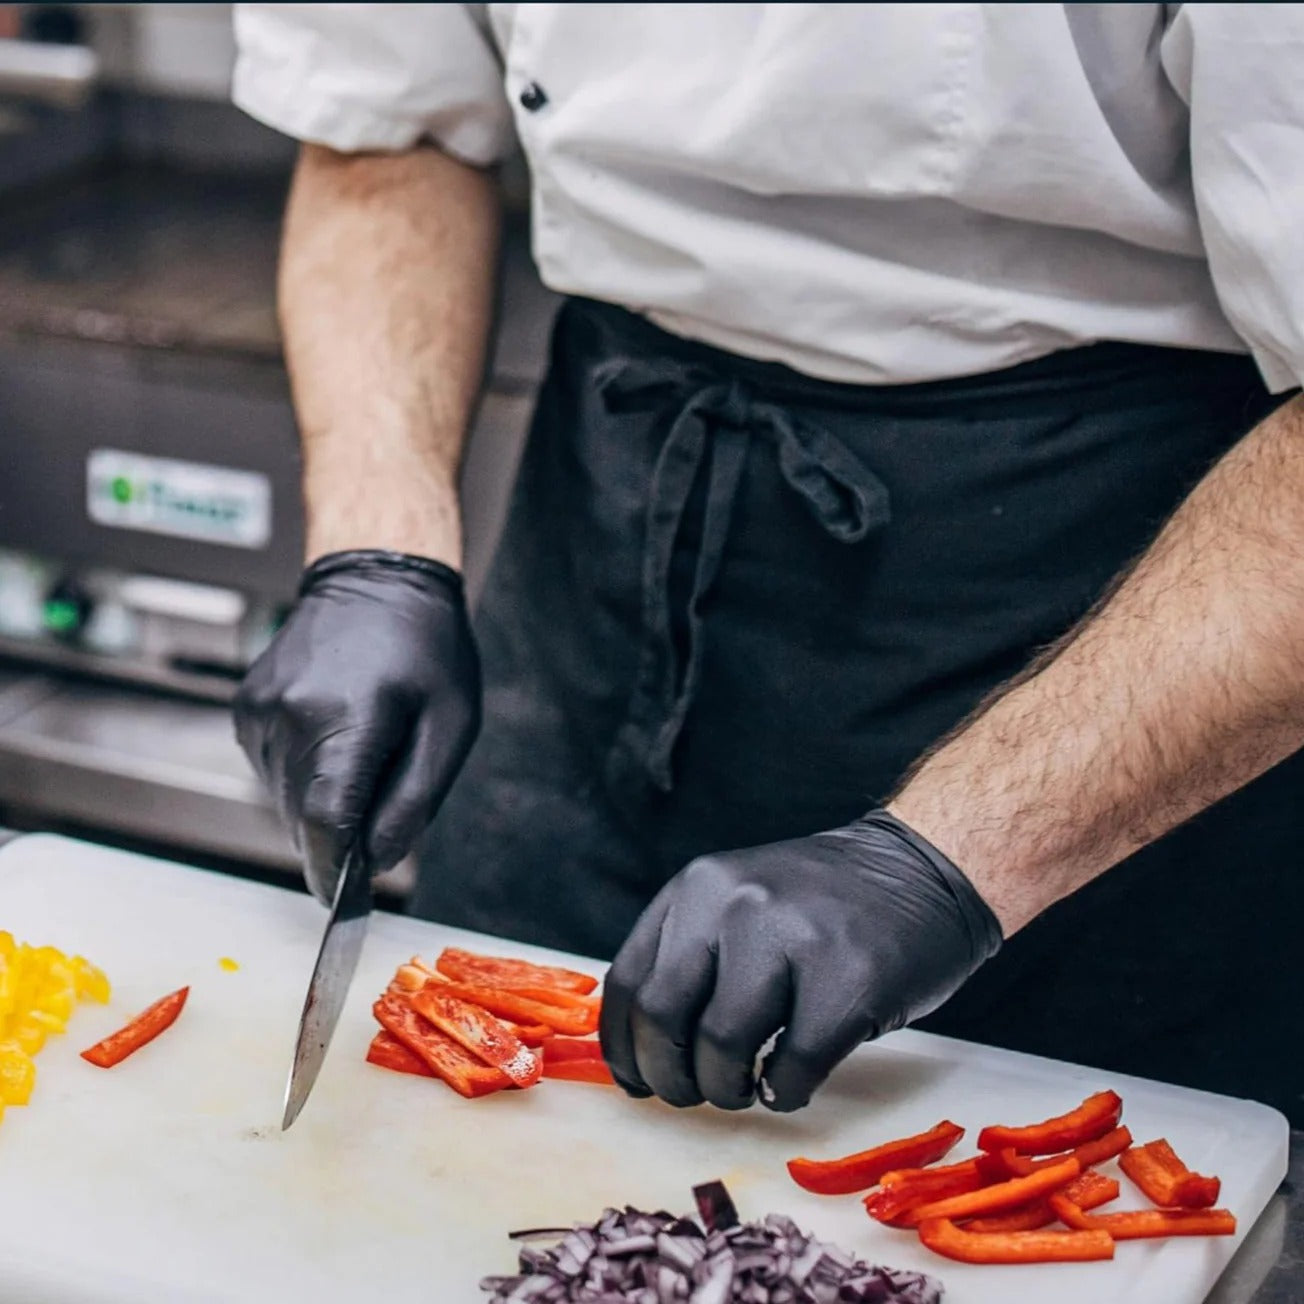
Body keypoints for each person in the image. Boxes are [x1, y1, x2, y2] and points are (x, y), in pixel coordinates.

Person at [230, 4, 1304, 1122]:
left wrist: (944, 864)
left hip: (1115, 602)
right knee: (497, 1131)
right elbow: (385, 131)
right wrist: (376, 550)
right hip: (601, 546)